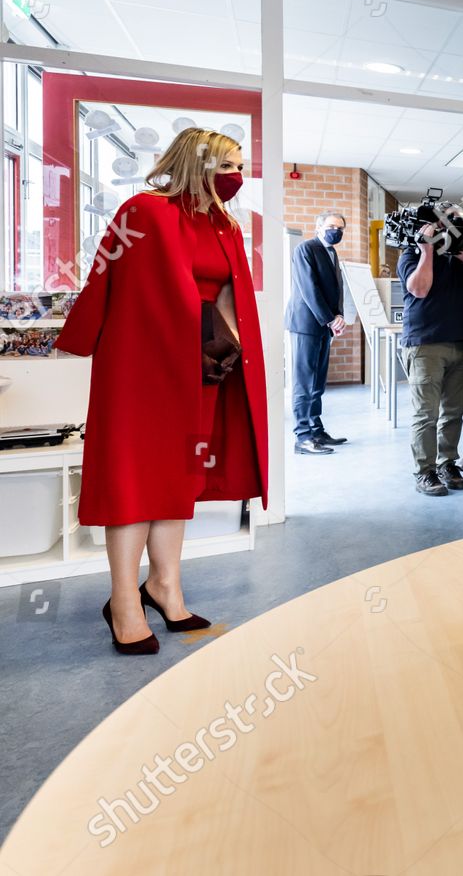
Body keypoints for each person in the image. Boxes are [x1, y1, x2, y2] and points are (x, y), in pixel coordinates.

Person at [56, 127, 266, 655]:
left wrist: (230, 351)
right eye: (225, 166)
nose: (235, 177)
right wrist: (74, 342)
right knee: (134, 480)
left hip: (200, 364)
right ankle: (124, 600)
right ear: (195, 165)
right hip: (140, 367)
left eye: (239, 165)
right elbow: (102, 277)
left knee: (179, 476)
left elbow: (226, 295)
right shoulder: (144, 212)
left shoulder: (225, 225)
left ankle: (165, 586)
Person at [399, 206, 463, 496]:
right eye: (436, 227)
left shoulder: (457, 258)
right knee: (425, 414)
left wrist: (456, 247)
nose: (441, 231)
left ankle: (447, 463)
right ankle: (425, 472)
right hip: (425, 344)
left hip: (458, 342)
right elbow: (419, 289)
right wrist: (427, 251)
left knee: (454, 411)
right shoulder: (410, 255)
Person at [285, 211, 348, 455]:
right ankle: (302, 436)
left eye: (341, 227)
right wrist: (330, 319)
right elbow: (309, 288)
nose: (337, 231)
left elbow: (336, 288)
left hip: (325, 325)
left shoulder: (332, 252)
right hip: (305, 325)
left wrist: (339, 315)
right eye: (332, 226)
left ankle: (316, 428)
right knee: (304, 381)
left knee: (318, 381)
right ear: (319, 226)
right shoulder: (305, 249)